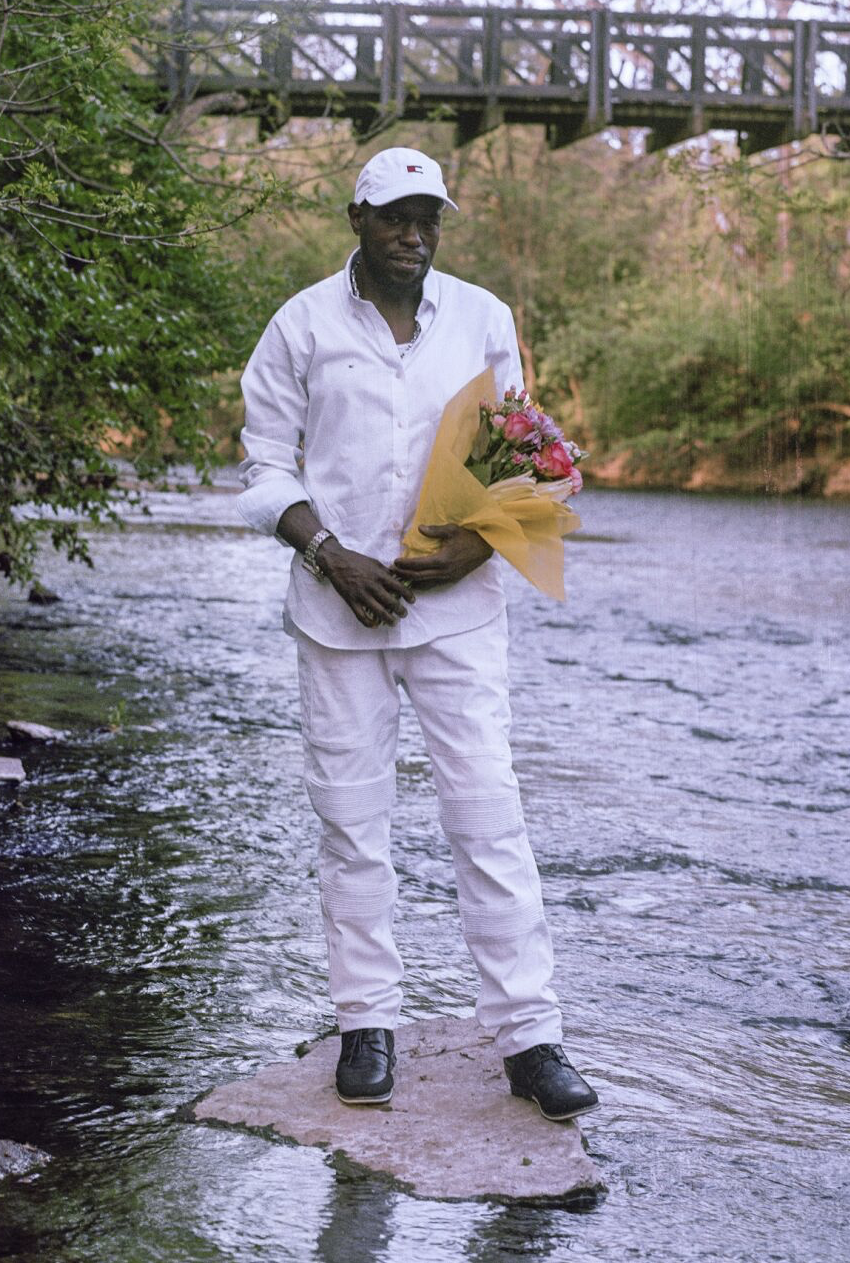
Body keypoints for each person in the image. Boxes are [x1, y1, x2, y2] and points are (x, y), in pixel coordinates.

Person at [236, 146, 598, 1121]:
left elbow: (514, 445)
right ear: (356, 219)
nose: (414, 234)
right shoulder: (300, 325)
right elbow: (263, 467)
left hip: (456, 612)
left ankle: (530, 1039)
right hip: (336, 611)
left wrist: (482, 548)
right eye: (395, 216)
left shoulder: (481, 317)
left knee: (488, 815)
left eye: (428, 218)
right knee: (352, 827)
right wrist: (329, 555)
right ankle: (366, 1026)